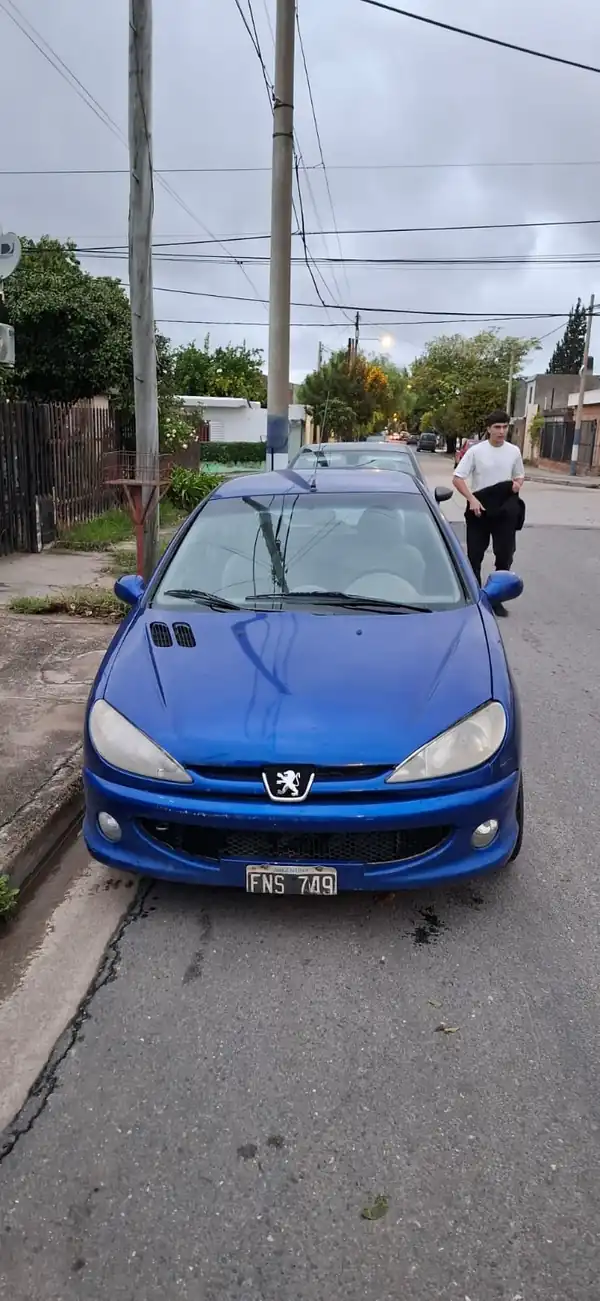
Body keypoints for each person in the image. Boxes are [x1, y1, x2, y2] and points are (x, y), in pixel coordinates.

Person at [452, 410, 525, 617]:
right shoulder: (476, 452)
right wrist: (471, 499)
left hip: (504, 509)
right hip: (479, 508)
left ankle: (496, 599)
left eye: (504, 427)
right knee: (475, 555)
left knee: (504, 554)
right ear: (489, 429)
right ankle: (475, 598)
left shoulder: (514, 452)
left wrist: (517, 485)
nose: (501, 431)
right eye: (497, 427)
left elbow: (519, 476)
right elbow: (458, 478)